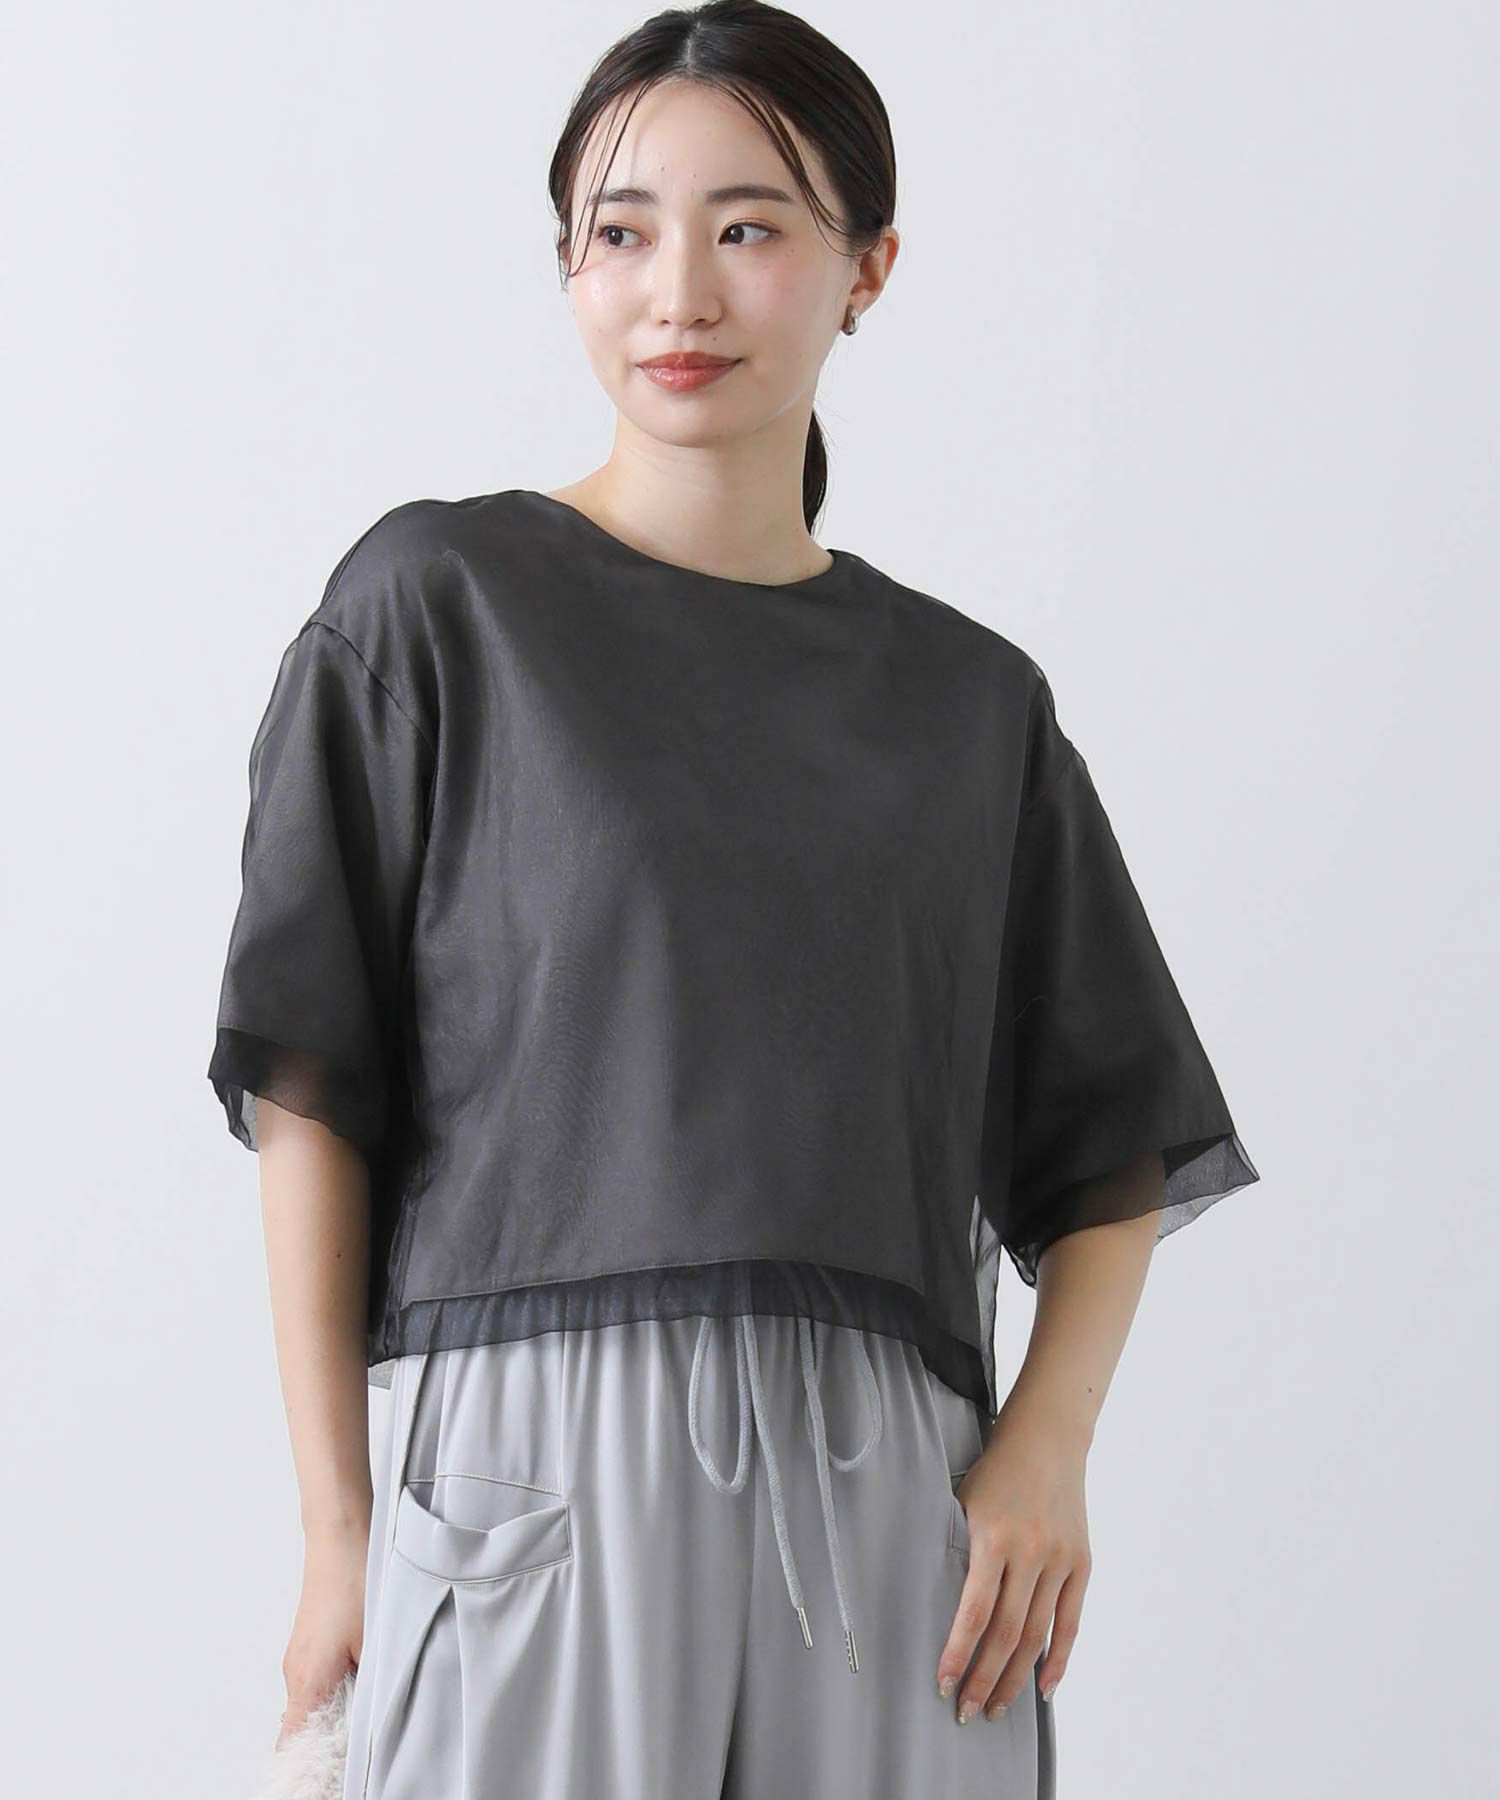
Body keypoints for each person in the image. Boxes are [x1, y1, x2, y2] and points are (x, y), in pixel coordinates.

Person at [207, 5, 1259, 1796]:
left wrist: (1047, 1447)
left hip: (899, 1507)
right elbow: (313, 1085)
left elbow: (1113, 1140)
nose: (677, 292)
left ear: (869, 268)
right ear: (567, 263)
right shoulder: (437, 608)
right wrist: (337, 1528)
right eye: (620, 232)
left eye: (750, 227)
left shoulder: (970, 704)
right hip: (532, 1470)